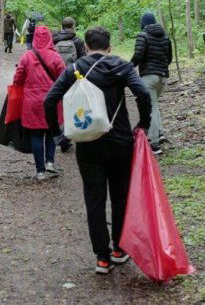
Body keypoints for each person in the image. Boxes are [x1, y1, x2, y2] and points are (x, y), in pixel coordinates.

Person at [44, 27, 151, 276]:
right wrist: (143, 124)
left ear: (88, 46)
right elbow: (143, 93)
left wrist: (58, 134)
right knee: (120, 197)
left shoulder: (75, 68)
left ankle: (102, 258)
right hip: (120, 141)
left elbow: (50, 100)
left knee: (94, 200)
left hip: (88, 144)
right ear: (110, 46)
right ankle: (118, 249)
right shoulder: (122, 66)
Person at [13, 26, 66, 180]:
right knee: (51, 131)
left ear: (34, 38)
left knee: (36, 134)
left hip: (32, 101)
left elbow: (18, 79)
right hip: (52, 100)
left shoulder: (27, 56)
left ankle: (40, 171)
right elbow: (63, 78)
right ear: (49, 37)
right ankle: (50, 161)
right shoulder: (56, 57)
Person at [130, 12, 172, 154]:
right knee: (154, 106)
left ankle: (154, 144)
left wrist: (128, 67)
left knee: (151, 108)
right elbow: (169, 58)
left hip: (149, 76)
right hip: (163, 77)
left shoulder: (143, 36)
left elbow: (138, 55)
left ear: (143, 23)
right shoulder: (165, 36)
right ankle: (159, 133)